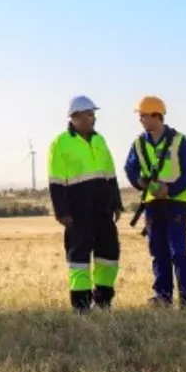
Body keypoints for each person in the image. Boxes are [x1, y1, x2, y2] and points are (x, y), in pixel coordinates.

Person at [46, 95, 122, 313]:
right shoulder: (60, 143)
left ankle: (103, 301)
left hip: (103, 210)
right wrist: (62, 212)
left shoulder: (100, 140)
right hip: (78, 213)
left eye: (93, 114)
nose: (93, 118)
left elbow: (110, 174)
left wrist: (116, 203)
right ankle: (81, 307)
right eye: (89, 114)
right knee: (79, 260)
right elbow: (56, 180)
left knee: (109, 256)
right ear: (75, 117)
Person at [125, 94, 186, 308]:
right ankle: (162, 296)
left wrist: (170, 190)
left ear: (157, 116)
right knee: (158, 252)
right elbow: (130, 169)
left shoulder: (179, 141)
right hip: (152, 205)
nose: (140, 120)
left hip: (176, 204)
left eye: (143, 116)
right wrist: (142, 184)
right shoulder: (138, 144)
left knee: (179, 252)